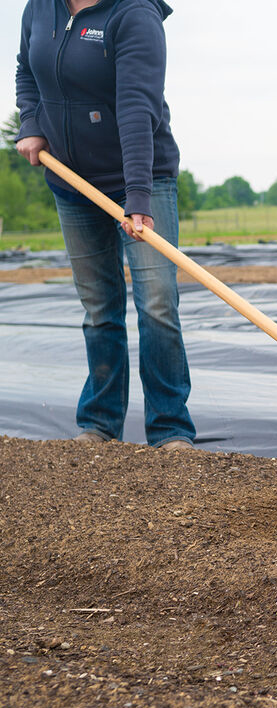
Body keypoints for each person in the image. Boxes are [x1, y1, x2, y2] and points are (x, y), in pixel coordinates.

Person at [14, 0, 195, 450]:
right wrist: (31, 124)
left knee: (156, 305)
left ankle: (170, 429)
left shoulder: (134, 14)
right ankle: (98, 424)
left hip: (139, 178)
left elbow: (137, 106)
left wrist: (137, 197)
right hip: (72, 181)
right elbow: (26, 71)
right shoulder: (39, 7)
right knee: (98, 307)